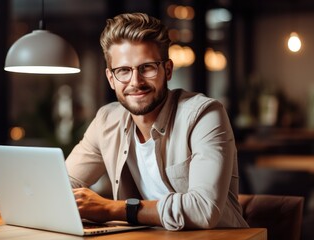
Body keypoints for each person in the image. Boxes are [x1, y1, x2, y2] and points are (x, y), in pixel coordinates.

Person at [65, 12, 249, 230]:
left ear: (168, 70)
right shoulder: (107, 120)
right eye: (123, 70)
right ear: (110, 78)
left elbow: (203, 209)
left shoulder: (205, 115)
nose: (136, 81)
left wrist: (110, 209)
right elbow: (62, 186)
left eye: (147, 67)